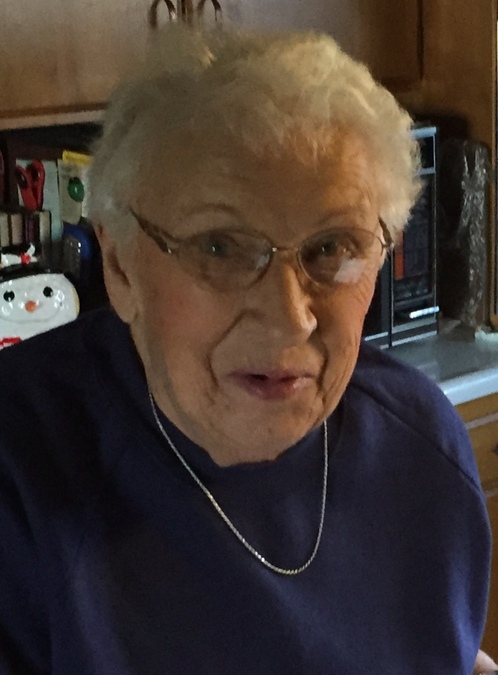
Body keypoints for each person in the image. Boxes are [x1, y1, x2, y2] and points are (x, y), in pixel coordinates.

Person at [0, 23, 493, 675]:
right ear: (119, 266)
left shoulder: (421, 446)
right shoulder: (20, 467)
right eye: (220, 247)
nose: (289, 320)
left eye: (331, 247)